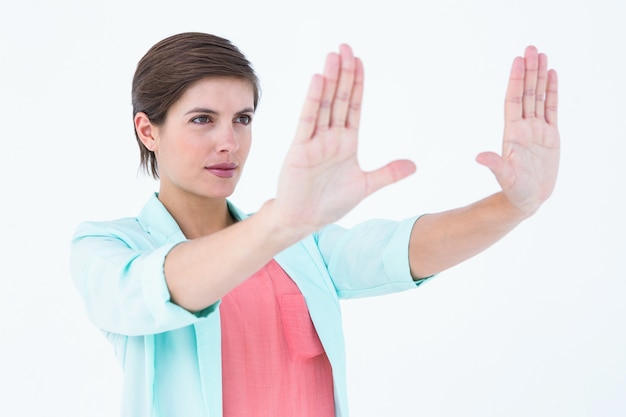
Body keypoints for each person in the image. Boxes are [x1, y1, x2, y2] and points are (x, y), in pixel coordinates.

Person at [70, 32, 559, 417]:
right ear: (147, 129)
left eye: (242, 119)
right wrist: (281, 221)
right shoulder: (108, 247)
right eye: (202, 119)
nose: (229, 142)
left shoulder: (295, 240)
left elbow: (396, 251)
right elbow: (165, 285)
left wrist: (512, 206)